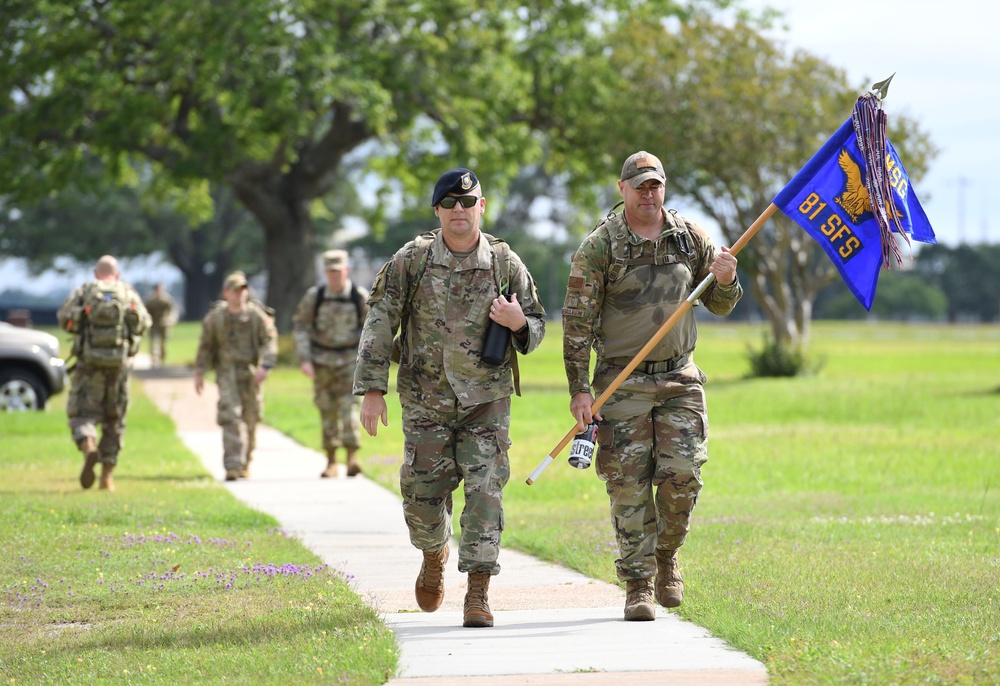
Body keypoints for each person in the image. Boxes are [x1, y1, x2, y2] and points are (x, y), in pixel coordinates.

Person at [355, 168, 546, 628]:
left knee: (485, 493)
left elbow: (537, 328)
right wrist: (372, 390)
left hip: (487, 401)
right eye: (449, 204)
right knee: (421, 500)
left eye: (468, 202)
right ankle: (433, 552)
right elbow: (381, 322)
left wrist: (520, 323)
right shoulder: (413, 260)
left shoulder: (505, 263)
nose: (459, 211)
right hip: (426, 401)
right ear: (438, 210)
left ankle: (478, 592)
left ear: (482, 206)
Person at [562, 151, 742, 621]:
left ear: (664, 188)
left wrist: (727, 279)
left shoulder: (689, 238)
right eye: (639, 185)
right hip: (621, 381)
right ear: (622, 189)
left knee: (684, 477)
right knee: (628, 486)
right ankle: (637, 584)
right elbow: (577, 323)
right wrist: (580, 390)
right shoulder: (600, 247)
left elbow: (720, 304)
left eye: (654, 185)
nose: (647, 193)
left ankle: (666, 557)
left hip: (680, 377)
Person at [57, 255, 151, 491]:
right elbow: (144, 323)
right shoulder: (127, 292)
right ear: (117, 274)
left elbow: (64, 319)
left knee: (81, 414)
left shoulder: (85, 291)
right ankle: (106, 478)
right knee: (114, 421)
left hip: (89, 367)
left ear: (95, 273)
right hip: (118, 369)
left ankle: (89, 446)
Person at [292, 248, 370, 478]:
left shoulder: (358, 296)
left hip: (349, 361)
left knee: (350, 409)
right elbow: (301, 328)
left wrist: (367, 360)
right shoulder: (314, 297)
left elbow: (371, 329)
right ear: (325, 272)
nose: (335, 275)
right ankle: (331, 461)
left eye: (339, 271)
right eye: (331, 271)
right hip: (322, 361)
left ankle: (352, 458)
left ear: (346, 270)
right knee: (327, 409)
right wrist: (305, 359)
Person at [194, 271, 278, 481]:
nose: (239, 294)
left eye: (243, 290)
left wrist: (265, 366)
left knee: (251, 417)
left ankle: (246, 461)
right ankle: (232, 464)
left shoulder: (257, 316)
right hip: (227, 371)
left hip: (251, 371)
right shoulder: (216, 318)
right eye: (235, 291)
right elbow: (205, 346)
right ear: (226, 293)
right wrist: (199, 373)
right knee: (230, 416)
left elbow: (270, 340)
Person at [143, 282, 178, 367]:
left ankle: (162, 361)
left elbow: (173, 310)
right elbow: (145, 311)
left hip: (164, 324)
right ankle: (154, 361)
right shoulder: (151, 300)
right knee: (154, 343)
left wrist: (171, 318)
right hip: (154, 324)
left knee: (163, 344)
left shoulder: (167, 299)